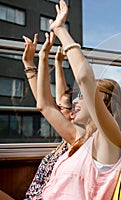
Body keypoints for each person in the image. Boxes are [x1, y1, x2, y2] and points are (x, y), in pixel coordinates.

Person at [35, 0, 121, 199]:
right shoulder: (80, 138)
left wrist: (60, 30)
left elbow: (85, 78)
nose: (75, 102)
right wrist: (42, 57)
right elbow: (45, 106)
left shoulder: (110, 141)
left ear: (104, 102)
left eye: (82, 96)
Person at [22, 33, 73, 200]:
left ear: (73, 113)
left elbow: (44, 102)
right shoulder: (66, 140)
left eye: (60, 107)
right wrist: (57, 63)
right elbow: (58, 98)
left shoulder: (75, 140)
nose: (56, 108)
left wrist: (42, 58)